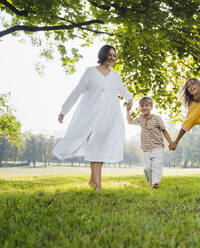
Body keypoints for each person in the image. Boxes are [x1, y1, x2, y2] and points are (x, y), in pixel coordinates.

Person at [52, 45, 133, 190]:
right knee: (94, 147)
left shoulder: (115, 76)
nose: (112, 58)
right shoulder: (90, 72)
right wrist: (64, 110)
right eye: (110, 54)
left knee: (100, 149)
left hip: (109, 118)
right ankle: (99, 185)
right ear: (103, 55)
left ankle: (92, 180)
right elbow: (77, 91)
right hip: (91, 117)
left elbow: (124, 90)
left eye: (114, 55)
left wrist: (130, 100)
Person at [126, 97, 172, 189]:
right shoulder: (140, 119)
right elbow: (130, 122)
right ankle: (152, 184)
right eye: (142, 106)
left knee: (157, 165)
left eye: (147, 105)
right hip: (146, 148)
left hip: (157, 146)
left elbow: (164, 131)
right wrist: (127, 111)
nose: (144, 107)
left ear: (151, 107)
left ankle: (155, 183)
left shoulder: (157, 118)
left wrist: (171, 142)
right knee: (147, 169)